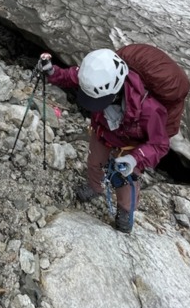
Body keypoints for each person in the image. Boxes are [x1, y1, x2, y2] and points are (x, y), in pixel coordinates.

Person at [38, 48, 171, 233]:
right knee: (94, 162)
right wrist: (53, 72)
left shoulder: (149, 109)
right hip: (103, 132)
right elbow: (72, 76)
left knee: (125, 181)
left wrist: (134, 159)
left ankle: (125, 212)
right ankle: (95, 187)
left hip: (131, 147)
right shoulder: (94, 78)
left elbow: (160, 144)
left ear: (115, 91)